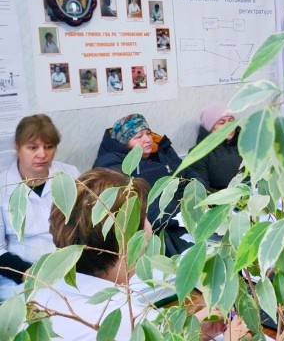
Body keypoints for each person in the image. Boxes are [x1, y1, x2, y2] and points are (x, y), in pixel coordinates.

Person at [33, 168, 248, 340]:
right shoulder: (127, 319)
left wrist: (188, 332)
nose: (150, 226)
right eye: (145, 218)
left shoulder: (40, 292)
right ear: (127, 241)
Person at [93, 114, 209, 256]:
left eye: (148, 133)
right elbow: (139, 207)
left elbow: (188, 172)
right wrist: (185, 213)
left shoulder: (162, 151)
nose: (148, 139)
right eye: (138, 137)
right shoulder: (112, 167)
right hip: (160, 228)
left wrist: (200, 195)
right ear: (124, 143)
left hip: (190, 213)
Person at [0, 114, 79, 300]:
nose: (42, 154)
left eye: (49, 147)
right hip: (20, 278)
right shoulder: (3, 186)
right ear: (17, 147)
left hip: (70, 268)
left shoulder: (70, 175)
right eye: (33, 147)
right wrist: (28, 273)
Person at [189, 104, 242, 192]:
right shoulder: (198, 154)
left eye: (231, 120)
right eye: (222, 123)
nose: (228, 126)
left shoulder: (244, 145)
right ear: (210, 127)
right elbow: (202, 191)